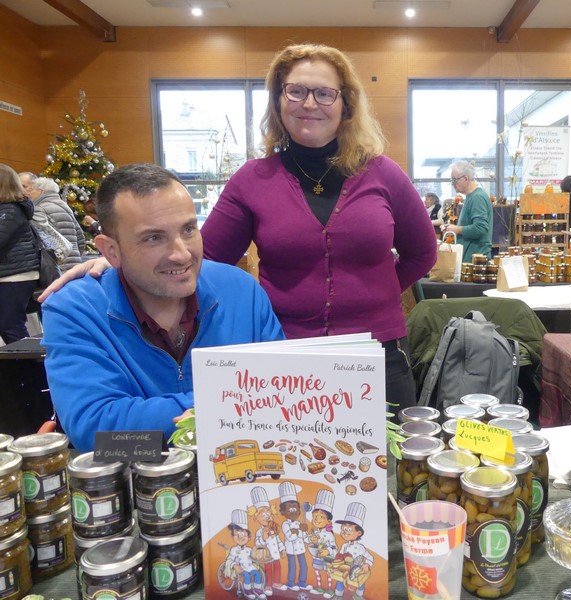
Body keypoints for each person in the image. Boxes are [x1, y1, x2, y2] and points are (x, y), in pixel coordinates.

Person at [43, 43, 437, 416]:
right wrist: (118, 262)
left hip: (378, 353)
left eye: (324, 93)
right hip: (287, 355)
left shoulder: (384, 174)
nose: (309, 104)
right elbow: (199, 254)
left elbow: (422, 253)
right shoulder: (253, 180)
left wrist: (376, 292)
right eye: (296, 91)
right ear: (278, 101)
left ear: (345, 104)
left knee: (386, 458)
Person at [40, 164, 285, 452]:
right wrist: (227, 408)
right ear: (111, 251)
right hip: (137, 478)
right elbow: (98, 437)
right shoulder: (74, 309)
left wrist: (182, 417)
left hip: (240, 467)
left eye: (188, 229)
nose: (181, 254)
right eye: (153, 238)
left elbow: (284, 397)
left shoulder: (241, 291)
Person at [0, 165, 39, 345]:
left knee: (11, 326)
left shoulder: (10, 210)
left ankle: (28, 361)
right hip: (11, 274)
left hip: (15, 275)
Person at [20, 175, 86, 271]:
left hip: (58, 267)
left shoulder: (39, 209)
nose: (29, 193)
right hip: (75, 266)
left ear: (41, 191)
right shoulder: (66, 207)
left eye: (32, 190)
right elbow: (81, 239)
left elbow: (41, 240)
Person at [442, 160, 492, 262]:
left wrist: (457, 229)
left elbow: (480, 228)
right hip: (471, 258)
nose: (452, 184)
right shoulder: (471, 196)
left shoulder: (477, 197)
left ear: (465, 178)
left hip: (476, 260)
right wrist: (453, 228)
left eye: (454, 180)